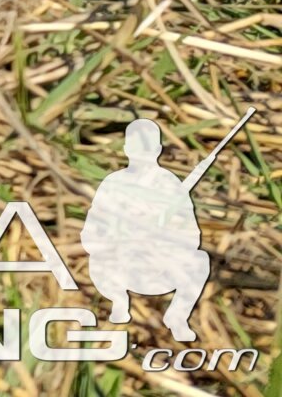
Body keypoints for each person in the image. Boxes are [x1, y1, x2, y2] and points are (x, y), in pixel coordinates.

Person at [80, 120, 213, 342]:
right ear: (126, 149)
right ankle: (119, 302)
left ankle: (177, 316)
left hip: (161, 268)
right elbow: (91, 233)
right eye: (136, 147)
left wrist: (161, 238)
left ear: (158, 150)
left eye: (147, 147)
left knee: (200, 260)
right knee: (97, 260)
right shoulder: (113, 183)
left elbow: (192, 236)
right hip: (121, 267)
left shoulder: (170, 184)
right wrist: (122, 239)